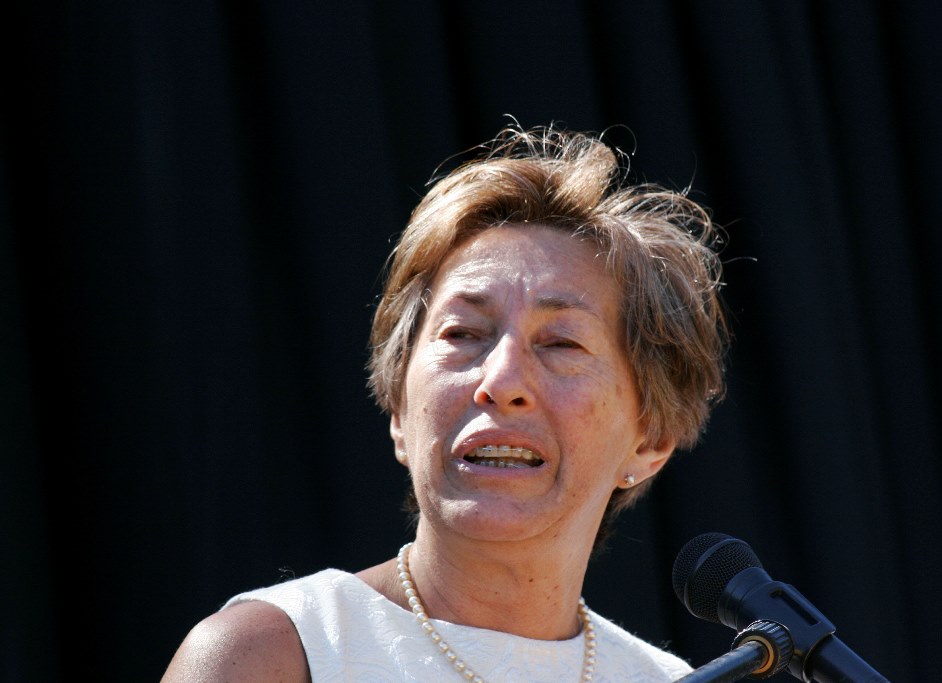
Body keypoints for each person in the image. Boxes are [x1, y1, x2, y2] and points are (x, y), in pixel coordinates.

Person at [161, 123, 729, 682]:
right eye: (463, 334)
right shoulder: (270, 655)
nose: (501, 380)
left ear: (651, 439)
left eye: (561, 343)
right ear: (399, 412)